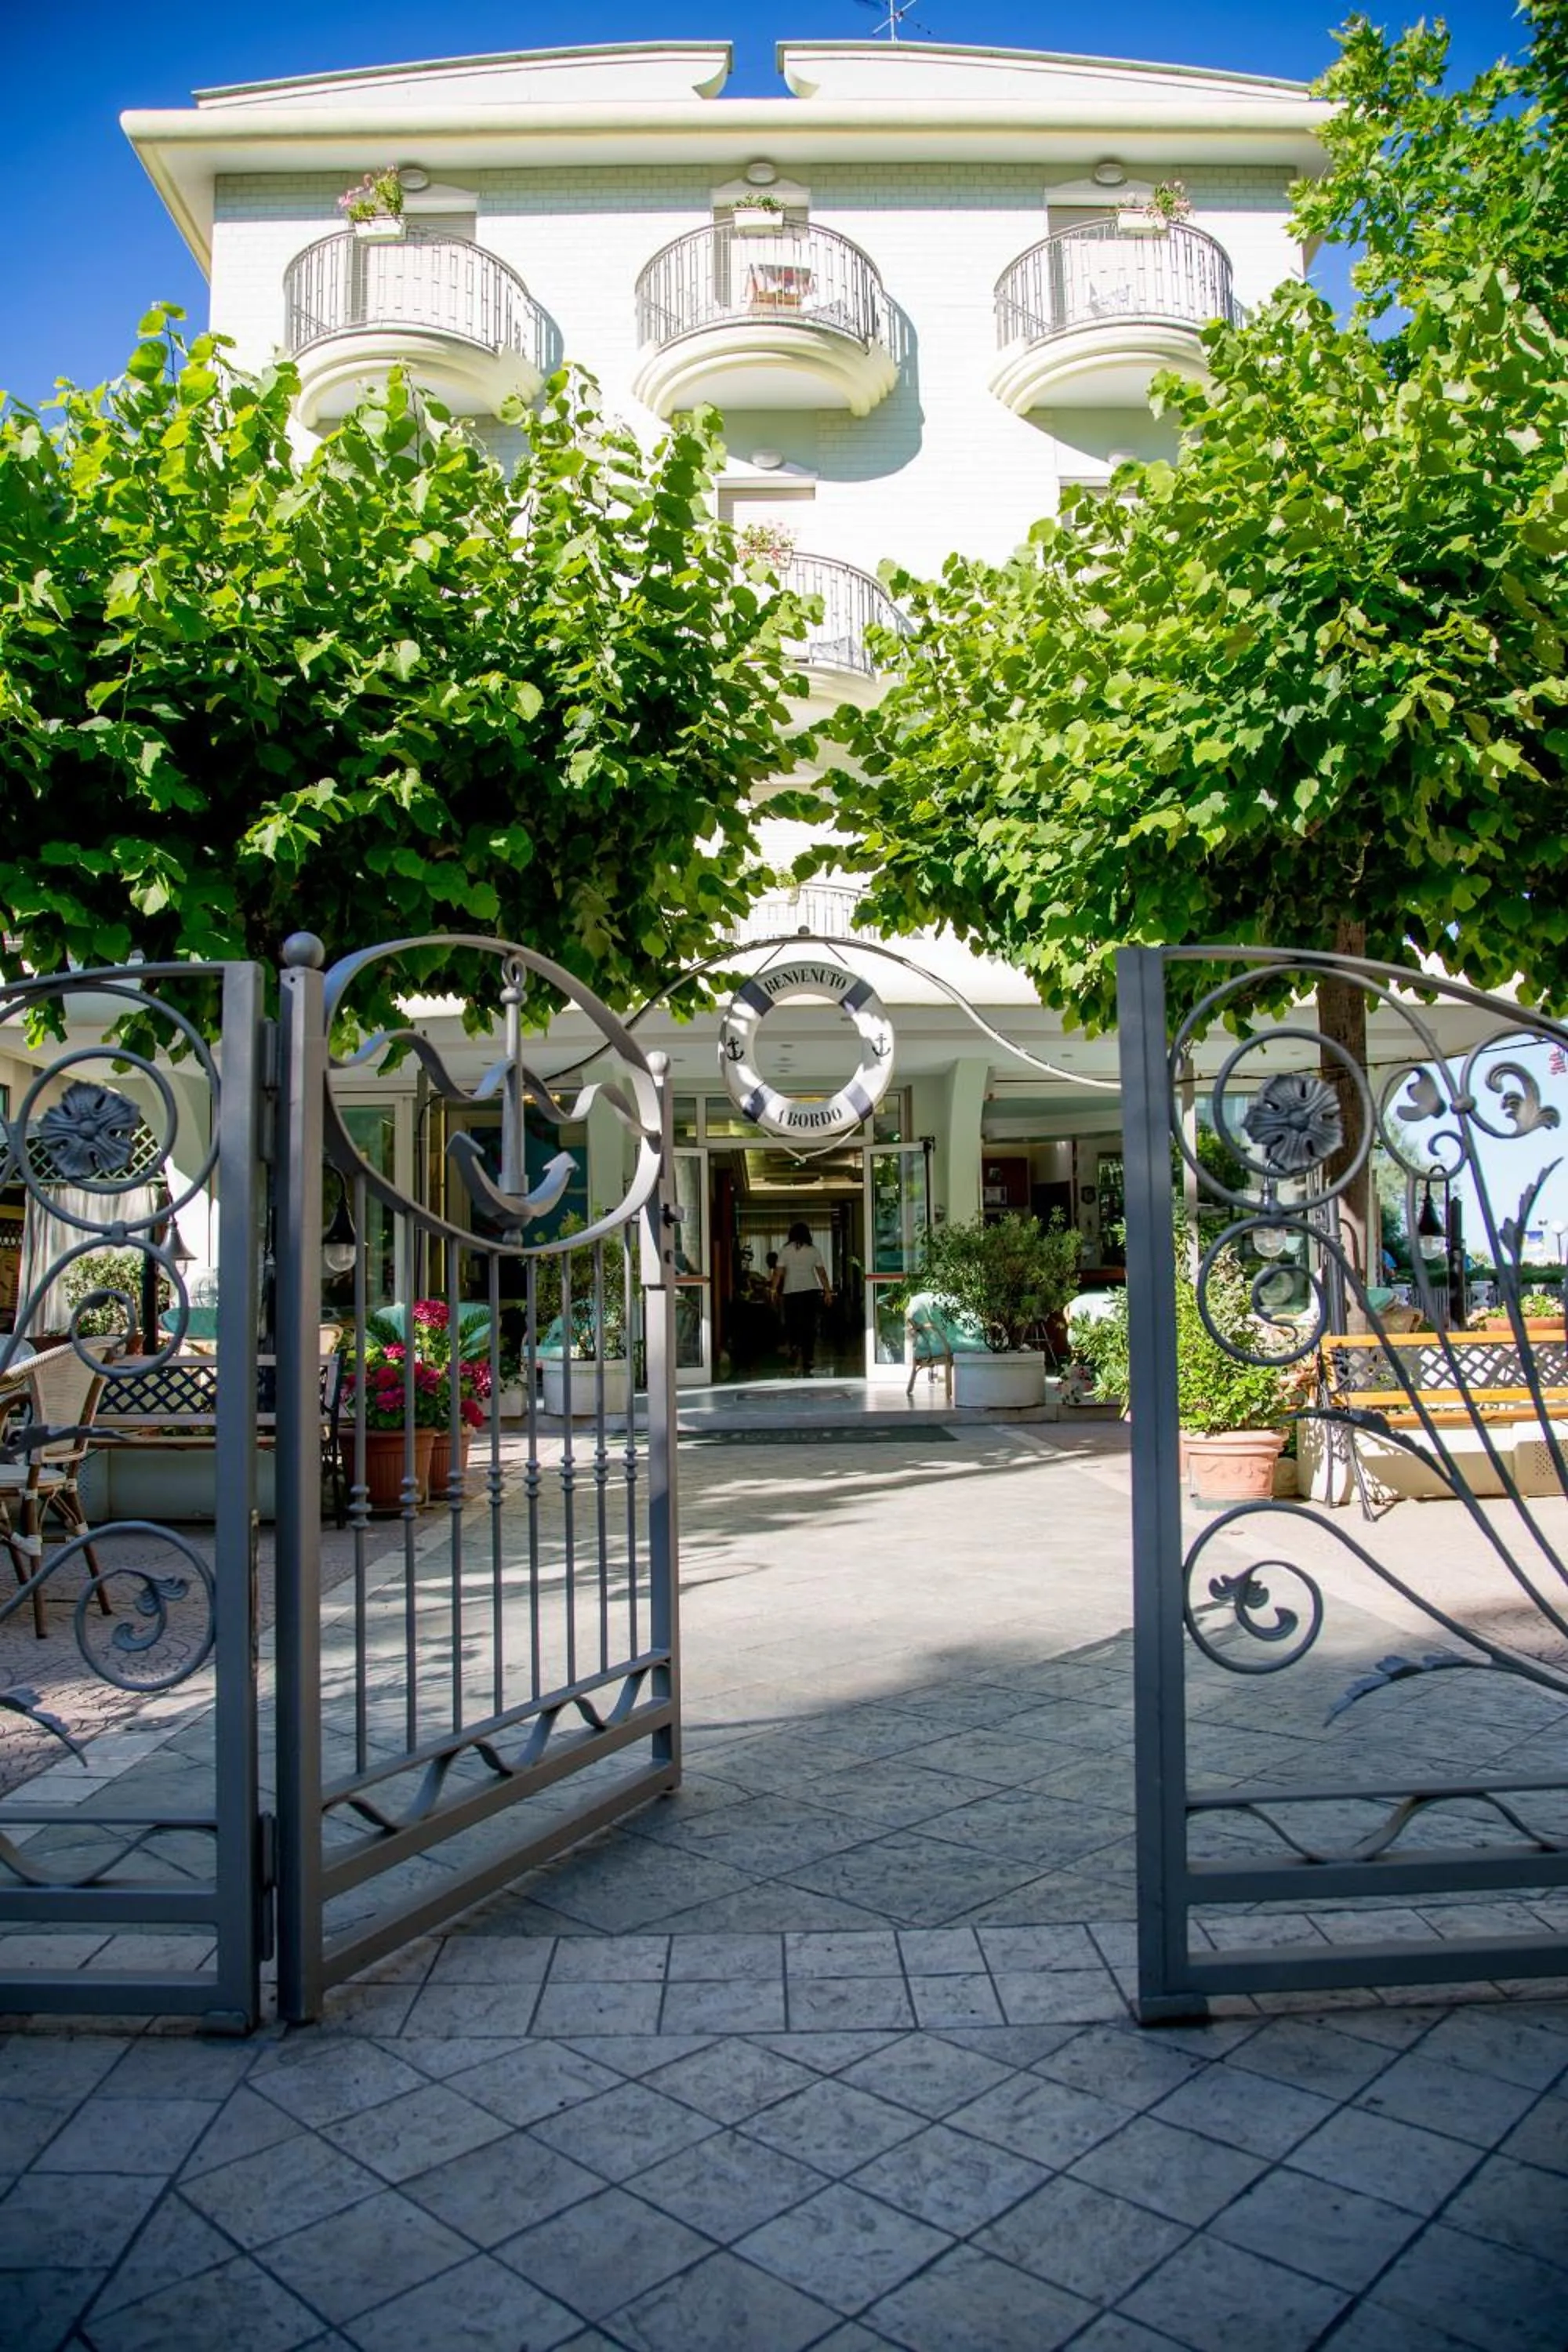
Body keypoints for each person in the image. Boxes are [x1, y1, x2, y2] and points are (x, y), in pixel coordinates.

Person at [772, 1221, 831, 1376]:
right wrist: (827, 1291)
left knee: (792, 1322)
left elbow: (778, 1272)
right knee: (809, 1325)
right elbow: (821, 1273)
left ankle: (794, 1346)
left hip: (791, 1291)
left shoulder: (785, 1250)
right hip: (810, 1291)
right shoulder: (813, 1250)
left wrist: (773, 1290)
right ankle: (808, 1357)